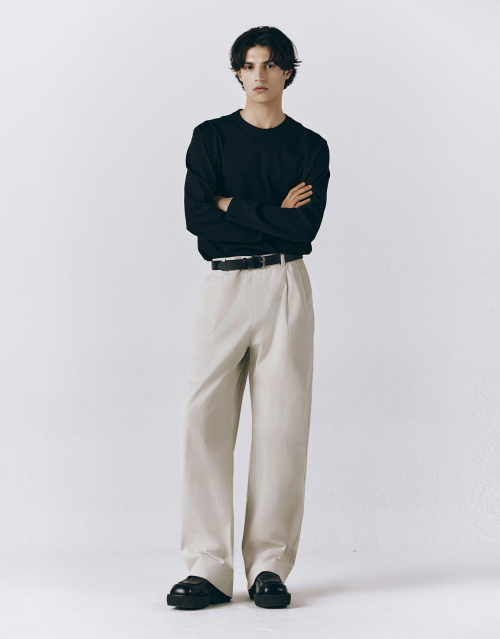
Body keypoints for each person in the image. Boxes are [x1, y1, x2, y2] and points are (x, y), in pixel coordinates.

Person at [167, 25, 330, 610]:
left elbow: (302, 229)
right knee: (202, 419)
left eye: (270, 64)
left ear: (287, 72)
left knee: (282, 427)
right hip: (225, 284)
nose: (259, 75)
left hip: (285, 283)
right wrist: (268, 213)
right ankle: (209, 567)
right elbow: (197, 218)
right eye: (249, 64)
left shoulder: (309, 146)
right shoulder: (210, 137)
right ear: (237, 72)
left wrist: (232, 204)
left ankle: (269, 565)